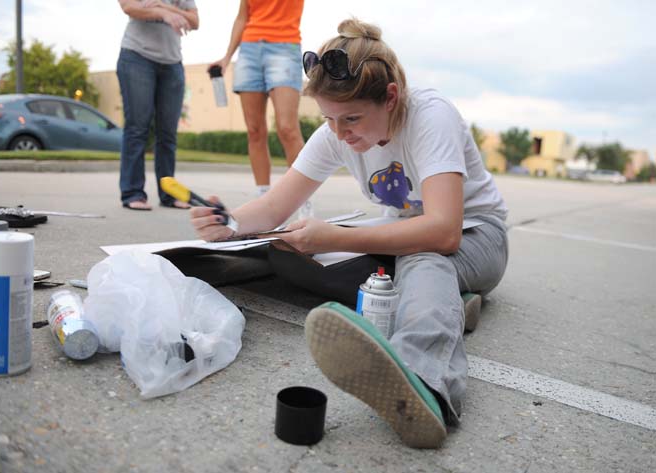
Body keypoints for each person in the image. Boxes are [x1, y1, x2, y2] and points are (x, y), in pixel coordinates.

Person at [190, 18, 509, 448]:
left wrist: (336, 238)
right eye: (328, 118)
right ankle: (448, 302)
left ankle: (427, 387)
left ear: (391, 97)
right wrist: (226, 223)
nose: (340, 133)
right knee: (290, 249)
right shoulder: (337, 131)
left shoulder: (430, 116)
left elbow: (443, 231)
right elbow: (273, 207)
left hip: (478, 234)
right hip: (410, 230)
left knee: (421, 256)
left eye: (352, 118)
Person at [209, 0, 311, 215]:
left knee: (287, 129)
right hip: (249, 51)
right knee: (255, 131)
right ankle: (264, 199)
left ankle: (302, 200)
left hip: (284, 47)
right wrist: (227, 58)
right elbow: (242, 18)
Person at [117, 0, 199, 210]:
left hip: (172, 63)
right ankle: (133, 193)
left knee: (168, 133)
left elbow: (194, 21)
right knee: (137, 128)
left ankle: (169, 194)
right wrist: (164, 13)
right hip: (137, 57)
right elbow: (129, 7)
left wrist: (164, 8)